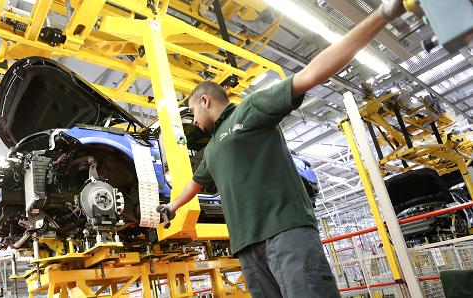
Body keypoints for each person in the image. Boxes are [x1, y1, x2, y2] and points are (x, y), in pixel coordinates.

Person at [157, 1, 406, 297]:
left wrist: (383, 13)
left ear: (205, 101)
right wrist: (171, 207)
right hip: (247, 247)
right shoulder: (211, 150)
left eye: (192, 111)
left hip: (285, 230)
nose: (194, 121)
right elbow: (194, 184)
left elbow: (311, 74)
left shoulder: (248, 110)